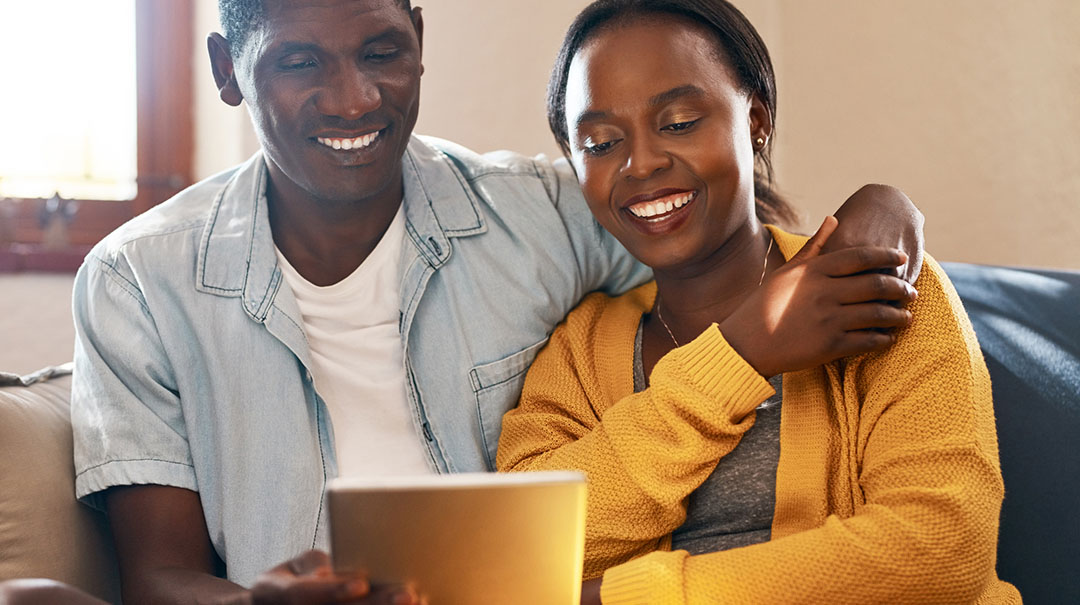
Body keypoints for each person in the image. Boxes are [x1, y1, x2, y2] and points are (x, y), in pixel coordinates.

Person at [63, 0, 923, 603]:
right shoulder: (139, 280)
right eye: (298, 63)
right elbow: (158, 575)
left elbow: (729, 234)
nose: (355, 98)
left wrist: (887, 206)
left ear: (419, 41)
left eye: (381, 51)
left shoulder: (536, 213)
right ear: (227, 72)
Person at [496, 0, 1020, 603]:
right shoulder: (578, 352)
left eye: (680, 122)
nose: (640, 163)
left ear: (755, 121)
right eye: (601, 142)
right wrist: (740, 354)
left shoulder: (882, 286)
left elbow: (940, 552)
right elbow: (522, 543)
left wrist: (624, 598)